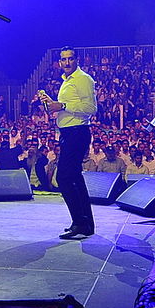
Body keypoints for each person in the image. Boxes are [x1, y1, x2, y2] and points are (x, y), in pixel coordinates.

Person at [37, 47, 96, 240]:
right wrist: (51, 104)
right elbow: (66, 109)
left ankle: (79, 222)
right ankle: (85, 224)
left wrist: (61, 105)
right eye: (63, 59)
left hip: (77, 132)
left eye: (70, 59)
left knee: (63, 177)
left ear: (76, 60)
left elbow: (90, 108)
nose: (67, 62)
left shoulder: (83, 79)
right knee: (74, 178)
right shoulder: (67, 81)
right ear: (59, 62)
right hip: (68, 132)